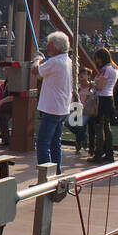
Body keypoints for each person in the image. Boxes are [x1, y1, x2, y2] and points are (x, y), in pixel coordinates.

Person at [31, 31, 73, 174]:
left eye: (49, 46)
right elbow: (46, 70)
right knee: (56, 143)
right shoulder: (67, 60)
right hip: (62, 108)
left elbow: (35, 71)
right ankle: (57, 173)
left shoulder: (54, 62)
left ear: (57, 46)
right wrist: (43, 60)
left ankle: (46, 176)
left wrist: (37, 59)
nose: (47, 48)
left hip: (51, 109)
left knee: (43, 143)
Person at [90, 48, 118, 162]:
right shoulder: (114, 69)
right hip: (109, 98)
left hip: (101, 99)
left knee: (99, 127)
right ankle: (109, 152)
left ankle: (98, 153)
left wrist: (92, 83)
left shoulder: (106, 70)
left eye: (97, 59)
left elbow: (100, 86)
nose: (97, 62)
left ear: (100, 58)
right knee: (107, 127)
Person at [69, 66, 96, 155]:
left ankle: (88, 146)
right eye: (80, 73)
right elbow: (72, 99)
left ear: (89, 76)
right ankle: (81, 141)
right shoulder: (77, 88)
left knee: (87, 127)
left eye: (84, 74)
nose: (81, 75)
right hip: (78, 110)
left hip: (89, 111)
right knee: (71, 123)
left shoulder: (92, 87)